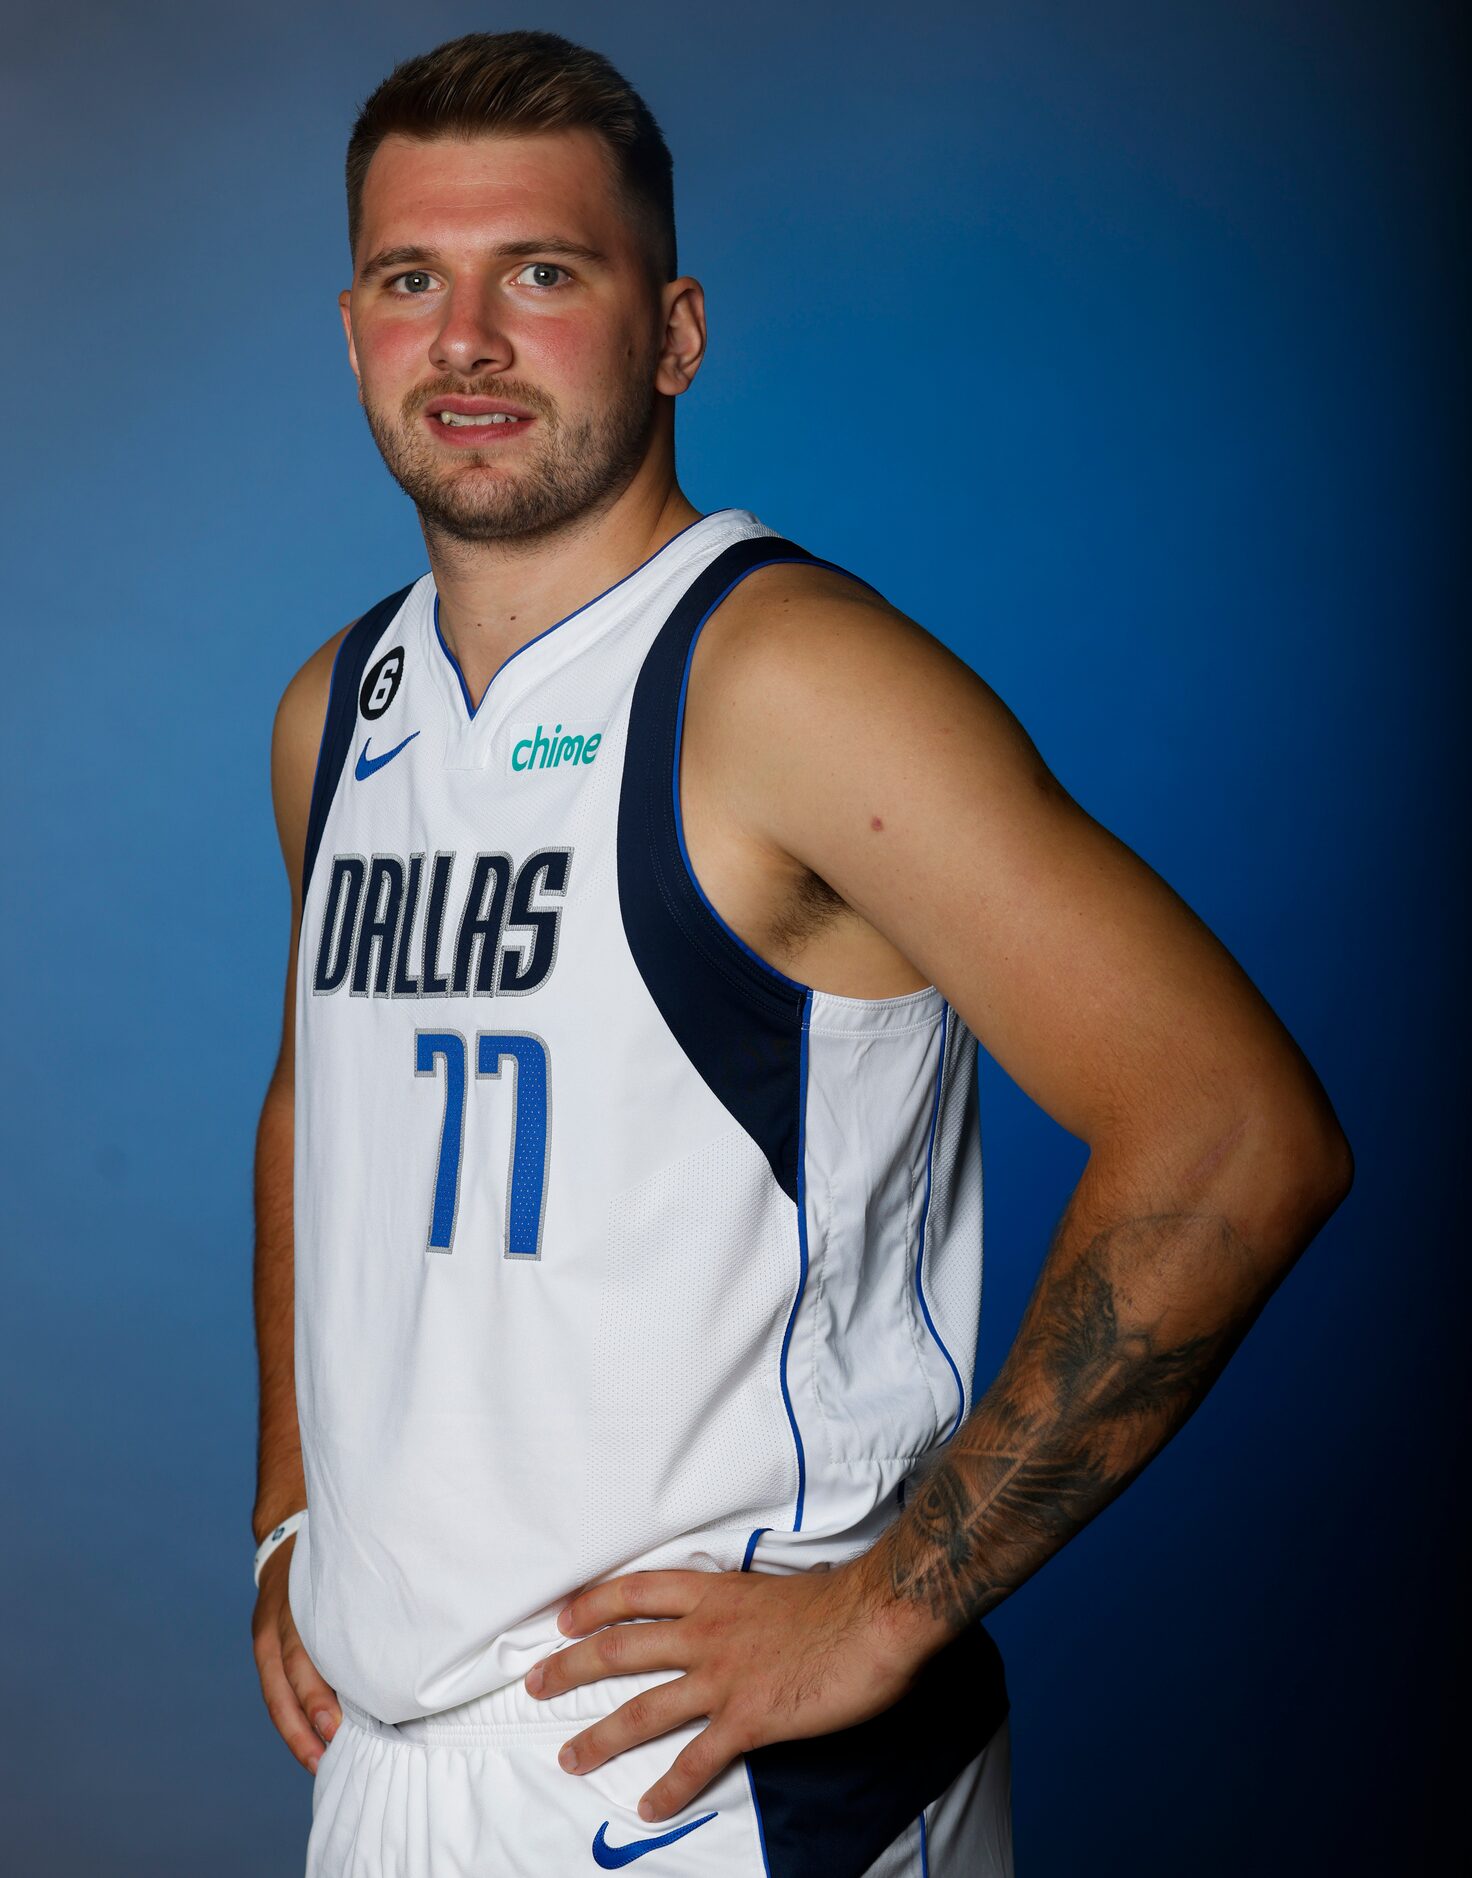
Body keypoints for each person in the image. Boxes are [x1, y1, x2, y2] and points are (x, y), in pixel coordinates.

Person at [249, 28, 1353, 1878]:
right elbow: (321, 1108)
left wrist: (892, 1602)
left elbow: (1240, 1134)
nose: (466, 342)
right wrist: (294, 1504)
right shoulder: (336, 708)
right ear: (352, 324)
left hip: (711, 1787)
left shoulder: (783, 682)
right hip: (391, 1764)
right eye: (407, 280)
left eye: (542, 273)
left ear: (672, 331)